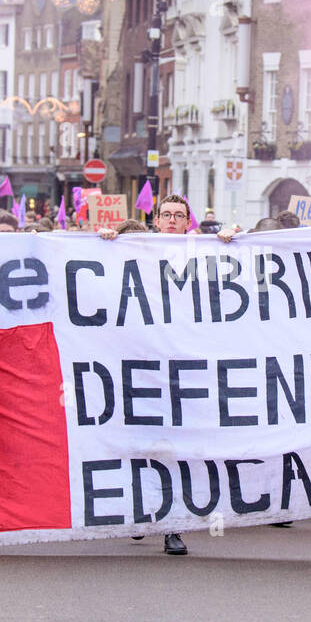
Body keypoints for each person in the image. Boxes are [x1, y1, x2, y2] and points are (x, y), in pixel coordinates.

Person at [97, 193, 194, 554]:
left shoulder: (202, 255)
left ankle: (173, 527)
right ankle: (141, 510)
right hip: (137, 367)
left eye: (178, 216)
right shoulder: (132, 252)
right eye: (165, 215)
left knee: (173, 448)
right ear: (156, 220)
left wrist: (233, 237)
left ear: (188, 222)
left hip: (181, 370)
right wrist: (107, 246)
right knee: (139, 445)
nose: (171, 221)